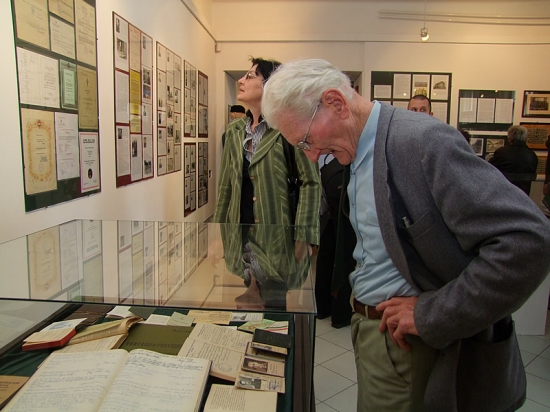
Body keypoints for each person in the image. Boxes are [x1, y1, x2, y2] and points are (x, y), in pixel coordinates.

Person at [262, 58, 550, 412]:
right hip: (373, 334)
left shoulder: (422, 142)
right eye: (300, 147)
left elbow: (528, 241)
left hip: (410, 347)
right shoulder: (355, 151)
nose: (310, 155)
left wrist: (433, 313)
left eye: (306, 140)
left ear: (336, 103)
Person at [214, 57, 321, 310]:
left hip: (277, 241)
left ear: (270, 85)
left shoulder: (287, 128)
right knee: (247, 312)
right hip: (242, 241)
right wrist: (217, 235)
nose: (241, 80)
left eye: (250, 76)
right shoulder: (235, 132)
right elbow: (226, 188)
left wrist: (304, 236)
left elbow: (310, 182)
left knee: (274, 314)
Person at [315, 154, 353, 328]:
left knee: (329, 247)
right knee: (344, 250)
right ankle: (340, 314)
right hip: (340, 174)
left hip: (327, 174)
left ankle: (322, 307)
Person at [488, 125, 538, 196]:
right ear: (525, 138)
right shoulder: (532, 155)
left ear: (509, 138)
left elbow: (489, 168)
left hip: (502, 195)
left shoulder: (501, 153)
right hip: (523, 196)